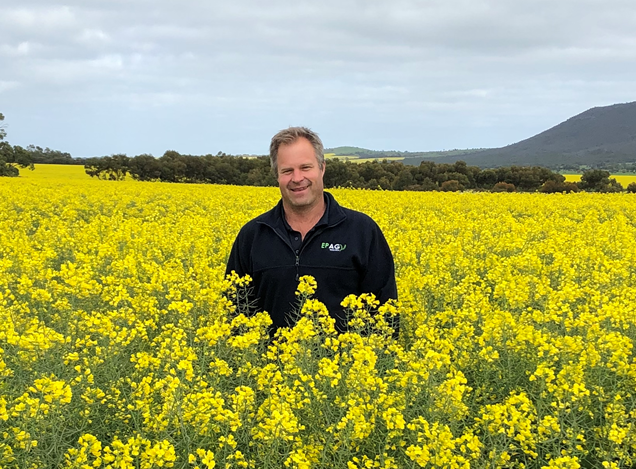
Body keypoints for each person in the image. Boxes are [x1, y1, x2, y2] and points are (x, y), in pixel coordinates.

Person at [225, 126, 397, 333]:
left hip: (346, 364)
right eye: (287, 171)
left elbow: (386, 315)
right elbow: (234, 314)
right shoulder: (253, 235)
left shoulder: (362, 231)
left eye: (305, 167)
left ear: (322, 168)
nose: (297, 178)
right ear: (276, 175)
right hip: (269, 363)